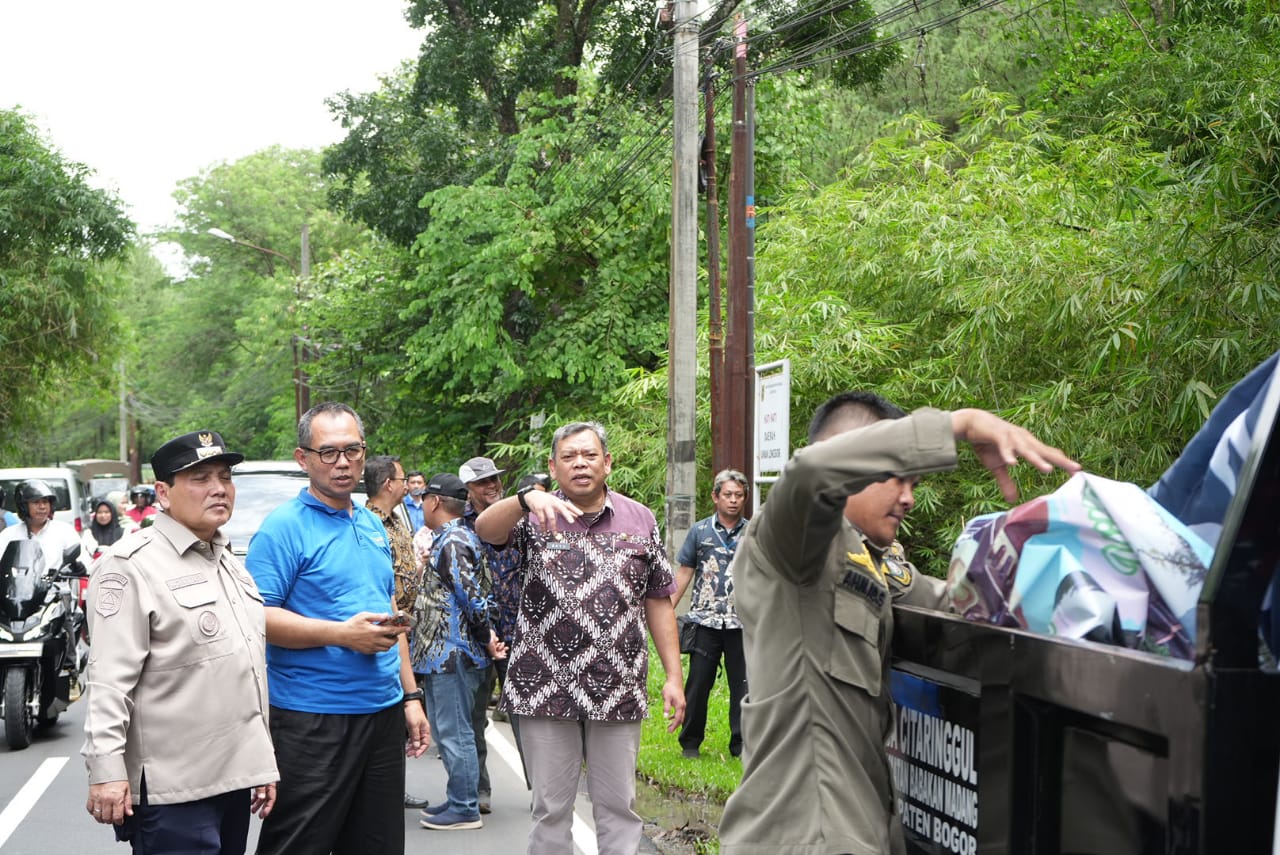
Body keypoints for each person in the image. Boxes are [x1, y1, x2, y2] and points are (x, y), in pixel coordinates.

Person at [718, 392, 1080, 855]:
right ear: (853, 463)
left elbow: (958, 607)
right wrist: (962, 423)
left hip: (857, 829)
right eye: (897, 478)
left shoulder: (870, 562)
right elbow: (811, 471)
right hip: (804, 836)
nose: (909, 498)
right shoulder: (790, 544)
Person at [475, 421, 686, 855]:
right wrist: (522, 499)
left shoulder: (640, 519)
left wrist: (674, 675)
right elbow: (485, 531)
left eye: (589, 455)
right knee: (551, 810)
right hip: (544, 689)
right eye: (569, 457)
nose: (580, 464)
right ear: (554, 467)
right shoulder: (533, 515)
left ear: (607, 463)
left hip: (618, 689)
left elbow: (659, 600)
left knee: (619, 808)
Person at [245, 402, 430, 854]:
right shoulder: (282, 529)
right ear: (303, 458)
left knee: (377, 845)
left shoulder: (370, 523)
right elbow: (258, 618)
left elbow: (387, 608)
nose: (342, 463)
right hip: (312, 718)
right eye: (328, 452)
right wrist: (340, 634)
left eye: (352, 450)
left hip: (381, 714)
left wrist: (410, 696)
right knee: (298, 844)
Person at [81, 430, 278, 854]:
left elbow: (244, 675)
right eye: (200, 478)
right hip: (173, 791)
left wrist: (262, 764)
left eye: (225, 477)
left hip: (232, 780)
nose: (218, 489)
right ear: (163, 493)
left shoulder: (229, 564)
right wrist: (107, 771)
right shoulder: (130, 566)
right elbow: (109, 681)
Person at [414, 473, 506, 830]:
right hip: (443, 656)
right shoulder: (456, 537)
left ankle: (465, 806)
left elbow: (473, 598)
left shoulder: (452, 540)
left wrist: (486, 636)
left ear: (434, 502)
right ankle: (458, 797)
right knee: (449, 730)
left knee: (456, 732)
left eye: (423, 499)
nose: (421, 505)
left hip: (452, 654)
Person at [363, 453, 430, 810]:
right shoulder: (365, 523)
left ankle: (391, 787)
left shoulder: (396, 520)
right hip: (382, 632)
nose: (407, 485)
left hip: (404, 630)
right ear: (389, 484)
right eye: (403, 479)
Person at [670, 468, 750, 759]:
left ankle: (741, 745)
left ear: (744, 499)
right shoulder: (700, 532)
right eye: (727, 495)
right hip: (705, 621)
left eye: (738, 495)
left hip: (741, 623)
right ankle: (690, 743)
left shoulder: (753, 533)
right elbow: (684, 572)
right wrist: (666, 612)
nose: (733, 501)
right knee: (698, 684)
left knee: (743, 687)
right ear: (715, 497)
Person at [458, 455, 521, 809]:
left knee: (529, 718)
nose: (492, 486)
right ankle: (480, 789)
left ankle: (545, 790)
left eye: (495, 479)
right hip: (477, 636)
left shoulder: (518, 518)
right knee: (474, 716)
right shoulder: (458, 526)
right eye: (484, 483)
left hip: (517, 631)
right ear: (469, 489)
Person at [0, 478, 82, 573]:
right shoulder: (8, 535)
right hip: (20, 587)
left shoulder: (65, 531)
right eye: (36, 502)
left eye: (45, 502)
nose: (42, 507)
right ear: (24, 506)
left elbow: (83, 559)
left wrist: (78, 566)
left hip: (57, 587)